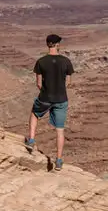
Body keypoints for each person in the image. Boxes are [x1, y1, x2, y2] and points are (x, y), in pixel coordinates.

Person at [25, 34, 75, 171]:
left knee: (35, 113)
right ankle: (58, 161)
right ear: (58, 45)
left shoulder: (41, 62)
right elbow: (69, 83)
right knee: (60, 130)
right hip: (61, 99)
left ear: (47, 45)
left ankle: (31, 140)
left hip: (46, 97)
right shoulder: (66, 61)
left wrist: (47, 89)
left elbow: (39, 84)